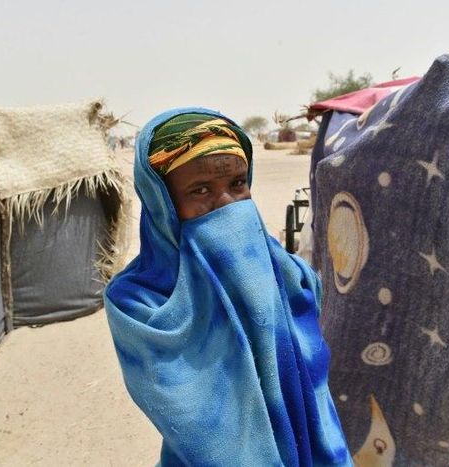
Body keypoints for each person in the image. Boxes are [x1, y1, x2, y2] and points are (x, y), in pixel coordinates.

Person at [104, 108, 352, 466]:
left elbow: (314, 385)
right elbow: (197, 425)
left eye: (237, 184)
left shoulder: (289, 273)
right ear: (163, 204)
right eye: (200, 190)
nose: (226, 204)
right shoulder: (139, 302)